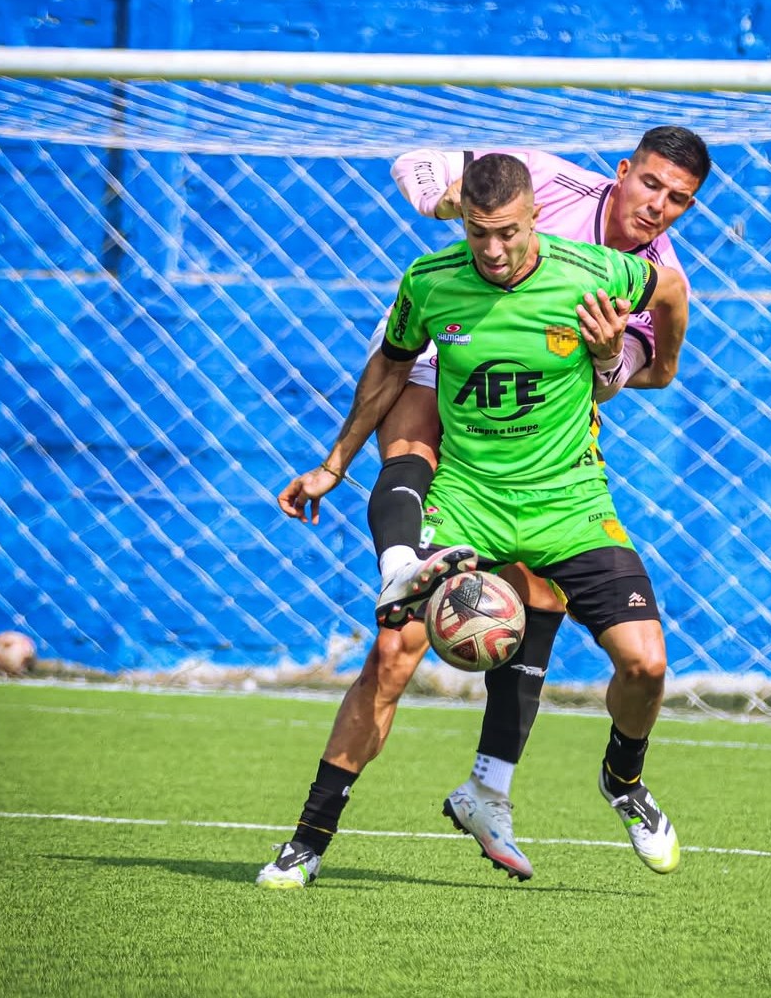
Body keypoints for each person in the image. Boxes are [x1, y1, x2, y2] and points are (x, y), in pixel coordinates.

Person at [257, 130, 710, 888]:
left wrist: (624, 358)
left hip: (556, 484)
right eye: (651, 186)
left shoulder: (624, 273)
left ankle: (563, 784)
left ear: (533, 222)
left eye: (678, 200)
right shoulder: (478, 239)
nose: (659, 207)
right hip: (454, 412)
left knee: (601, 637)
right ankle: (309, 836)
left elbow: (630, 369)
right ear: (622, 173)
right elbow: (415, 170)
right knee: (395, 648)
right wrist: (443, 194)